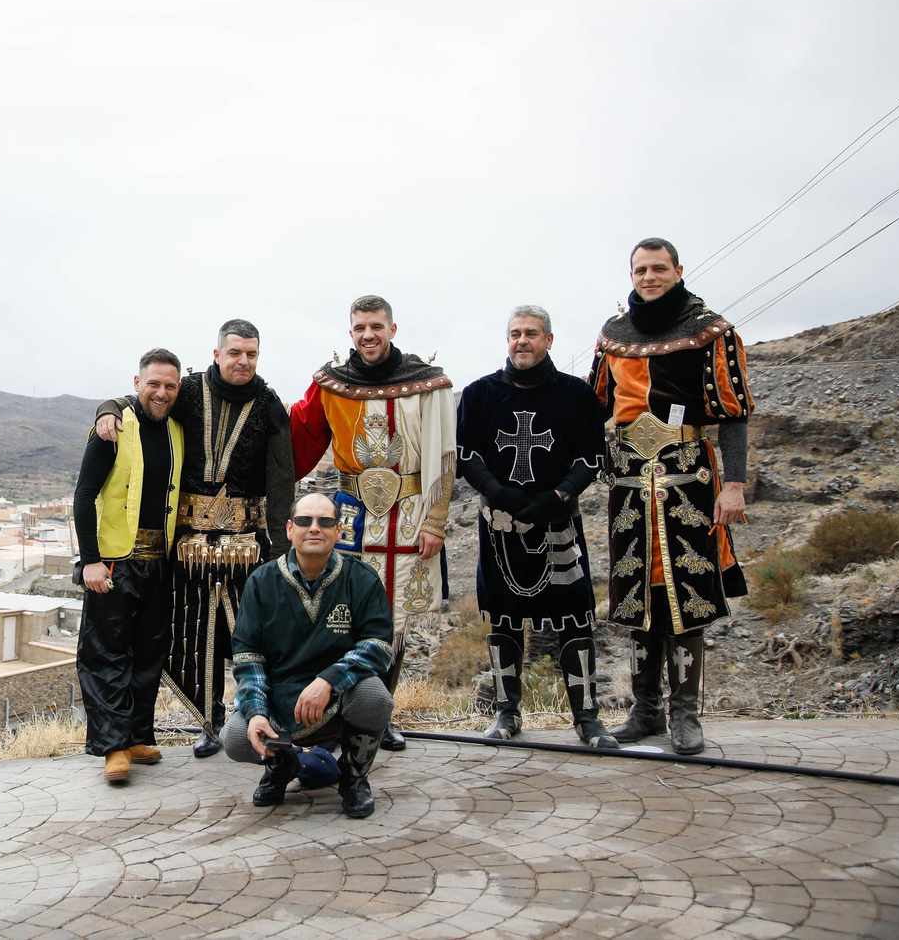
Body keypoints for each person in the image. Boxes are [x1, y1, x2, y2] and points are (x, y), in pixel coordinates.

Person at [92, 319, 294, 758]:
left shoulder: (269, 403)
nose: (243, 361)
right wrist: (108, 408)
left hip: (249, 544)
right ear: (217, 354)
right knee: (197, 634)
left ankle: (255, 716)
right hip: (188, 546)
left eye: (251, 354)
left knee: (252, 633)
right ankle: (209, 721)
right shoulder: (187, 391)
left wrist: (281, 549)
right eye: (235, 353)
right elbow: (147, 399)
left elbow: (282, 480)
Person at [589, 238, 753, 755]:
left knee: (687, 593)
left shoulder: (710, 331)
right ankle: (646, 711)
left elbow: (733, 414)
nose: (649, 277)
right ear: (631, 275)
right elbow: (594, 407)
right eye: (641, 269)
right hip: (630, 484)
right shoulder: (613, 336)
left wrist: (733, 484)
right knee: (636, 594)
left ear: (678, 271)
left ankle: (685, 713)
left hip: (688, 479)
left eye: (659, 268)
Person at [290, 295, 456, 751]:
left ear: (392, 329)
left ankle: (379, 712)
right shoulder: (332, 383)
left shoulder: (426, 382)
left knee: (394, 618)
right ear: (351, 333)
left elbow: (445, 454)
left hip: (409, 514)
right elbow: (299, 435)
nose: (369, 335)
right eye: (361, 327)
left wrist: (436, 521)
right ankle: (337, 714)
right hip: (349, 516)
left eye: (377, 326)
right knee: (342, 613)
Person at [458, 305, 616, 747]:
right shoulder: (480, 394)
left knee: (575, 616)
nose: (521, 341)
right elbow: (467, 455)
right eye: (515, 333)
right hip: (500, 525)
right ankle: (506, 713)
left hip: (559, 522)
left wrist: (558, 496)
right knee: (503, 617)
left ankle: (587, 718)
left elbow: (590, 456)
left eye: (531, 333)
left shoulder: (576, 394)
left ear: (548, 340)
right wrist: (500, 493)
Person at [223, 492, 396, 818]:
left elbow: (378, 647)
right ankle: (283, 764)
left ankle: (353, 776)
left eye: (325, 521)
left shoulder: (361, 578)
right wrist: (257, 712)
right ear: (290, 529)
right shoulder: (261, 582)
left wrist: (329, 680)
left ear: (339, 531)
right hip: (281, 697)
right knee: (234, 738)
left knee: (375, 698)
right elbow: (248, 658)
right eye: (304, 520)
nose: (314, 528)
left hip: (340, 696)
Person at [73, 348, 186, 783]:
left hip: (159, 563)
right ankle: (113, 747)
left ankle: (137, 736)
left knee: (148, 654)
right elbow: (85, 494)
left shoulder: (177, 429)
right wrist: (90, 561)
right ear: (137, 383)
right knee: (106, 655)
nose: (161, 392)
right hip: (115, 564)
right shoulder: (114, 427)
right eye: (153, 383)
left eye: (169, 386)